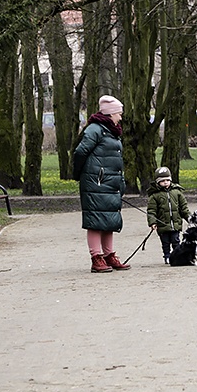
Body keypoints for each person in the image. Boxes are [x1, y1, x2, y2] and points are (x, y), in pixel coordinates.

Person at [72, 95, 131, 273]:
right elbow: (80, 152)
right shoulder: (95, 129)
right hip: (95, 183)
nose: (120, 117)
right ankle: (96, 257)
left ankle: (108, 255)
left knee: (109, 219)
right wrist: (81, 175)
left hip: (110, 182)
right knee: (95, 221)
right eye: (119, 114)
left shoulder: (112, 131)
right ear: (111, 113)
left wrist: (120, 183)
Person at [146, 166, 191, 264]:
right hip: (163, 224)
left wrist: (189, 218)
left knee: (176, 240)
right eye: (162, 181)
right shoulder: (155, 196)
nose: (165, 182)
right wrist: (152, 222)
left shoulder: (177, 192)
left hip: (175, 223)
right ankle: (167, 255)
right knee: (165, 242)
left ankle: (178, 255)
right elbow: (151, 210)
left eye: (167, 180)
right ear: (157, 182)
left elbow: (184, 208)